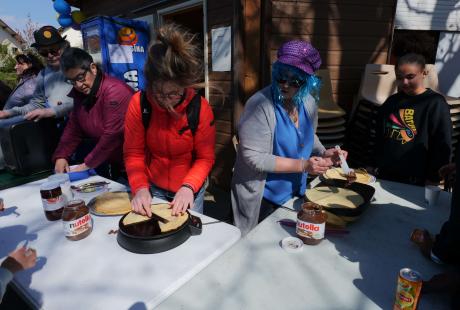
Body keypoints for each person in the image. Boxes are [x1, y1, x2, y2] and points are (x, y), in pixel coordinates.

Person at [231, 40, 345, 236]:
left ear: (308, 82)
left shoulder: (308, 102)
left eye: (295, 81)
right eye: (281, 77)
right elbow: (254, 157)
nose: (285, 85)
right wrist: (303, 166)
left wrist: (324, 152)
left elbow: (307, 136)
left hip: (295, 193)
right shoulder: (260, 105)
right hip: (264, 199)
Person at [124, 24, 215, 216]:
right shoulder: (139, 103)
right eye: (158, 93)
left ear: (184, 85)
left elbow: (204, 157)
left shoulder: (200, 108)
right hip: (153, 186)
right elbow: (133, 153)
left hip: (189, 189)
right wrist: (140, 187)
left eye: (173, 93)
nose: (165, 100)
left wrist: (189, 187)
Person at [52, 48, 133, 178]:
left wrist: (87, 164)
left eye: (80, 77)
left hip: (139, 165)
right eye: (72, 81)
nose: (78, 85)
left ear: (93, 68)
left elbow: (112, 135)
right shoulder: (81, 95)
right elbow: (74, 128)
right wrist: (61, 156)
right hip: (115, 163)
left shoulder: (115, 91)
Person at [374, 53, 452, 186]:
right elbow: (379, 136)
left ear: (424, 73)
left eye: (410, 77)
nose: (404, 82)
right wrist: (372, 163)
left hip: (416, 179)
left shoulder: (435, 103)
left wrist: (433, 177)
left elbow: (442, 143)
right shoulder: (391, 101)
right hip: (386, 175)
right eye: (399, 77)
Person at [0, 26, 73, 127]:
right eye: (44, 52)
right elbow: (36, 104)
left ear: (64, 47)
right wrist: (8, 112)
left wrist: (51, 111)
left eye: (54, 50)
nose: (50, 55)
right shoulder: (43, 74)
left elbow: (83, 101)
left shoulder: (75, 67)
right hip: (54, 127)